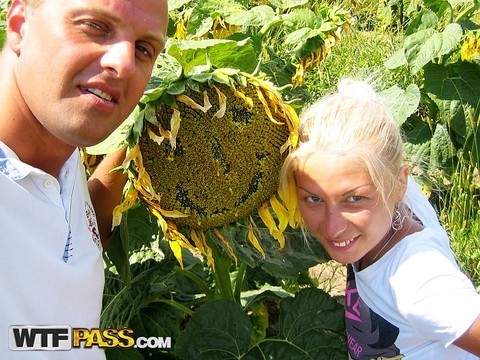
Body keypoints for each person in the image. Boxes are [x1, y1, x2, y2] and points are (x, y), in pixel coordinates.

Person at [0, 0, 168, 358]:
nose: (123, 64)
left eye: (143, 48)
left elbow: (71, 238)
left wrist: (141, 144)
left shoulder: (56, 145)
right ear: (18, 25)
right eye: (95, 26)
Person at [279, 78, 480, 359]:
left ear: (399, 183)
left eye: (355, 199)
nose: (333, 227)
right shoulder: (388, 200)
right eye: (314, 199)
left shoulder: (418, 281)